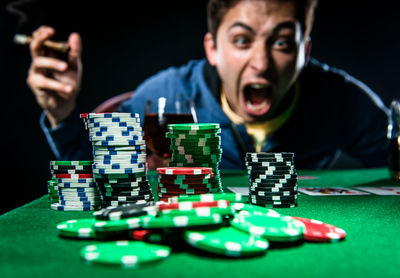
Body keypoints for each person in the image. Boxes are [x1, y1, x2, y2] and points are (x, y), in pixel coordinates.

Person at [26, 0, 389, 169]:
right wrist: (62, 114)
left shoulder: (340, 99)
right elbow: (93, 168)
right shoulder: (168, 97)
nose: (261, 63)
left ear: (304, 52)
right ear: (212, 48)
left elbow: (395, 160)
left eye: (281, 43)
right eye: (242, 40)